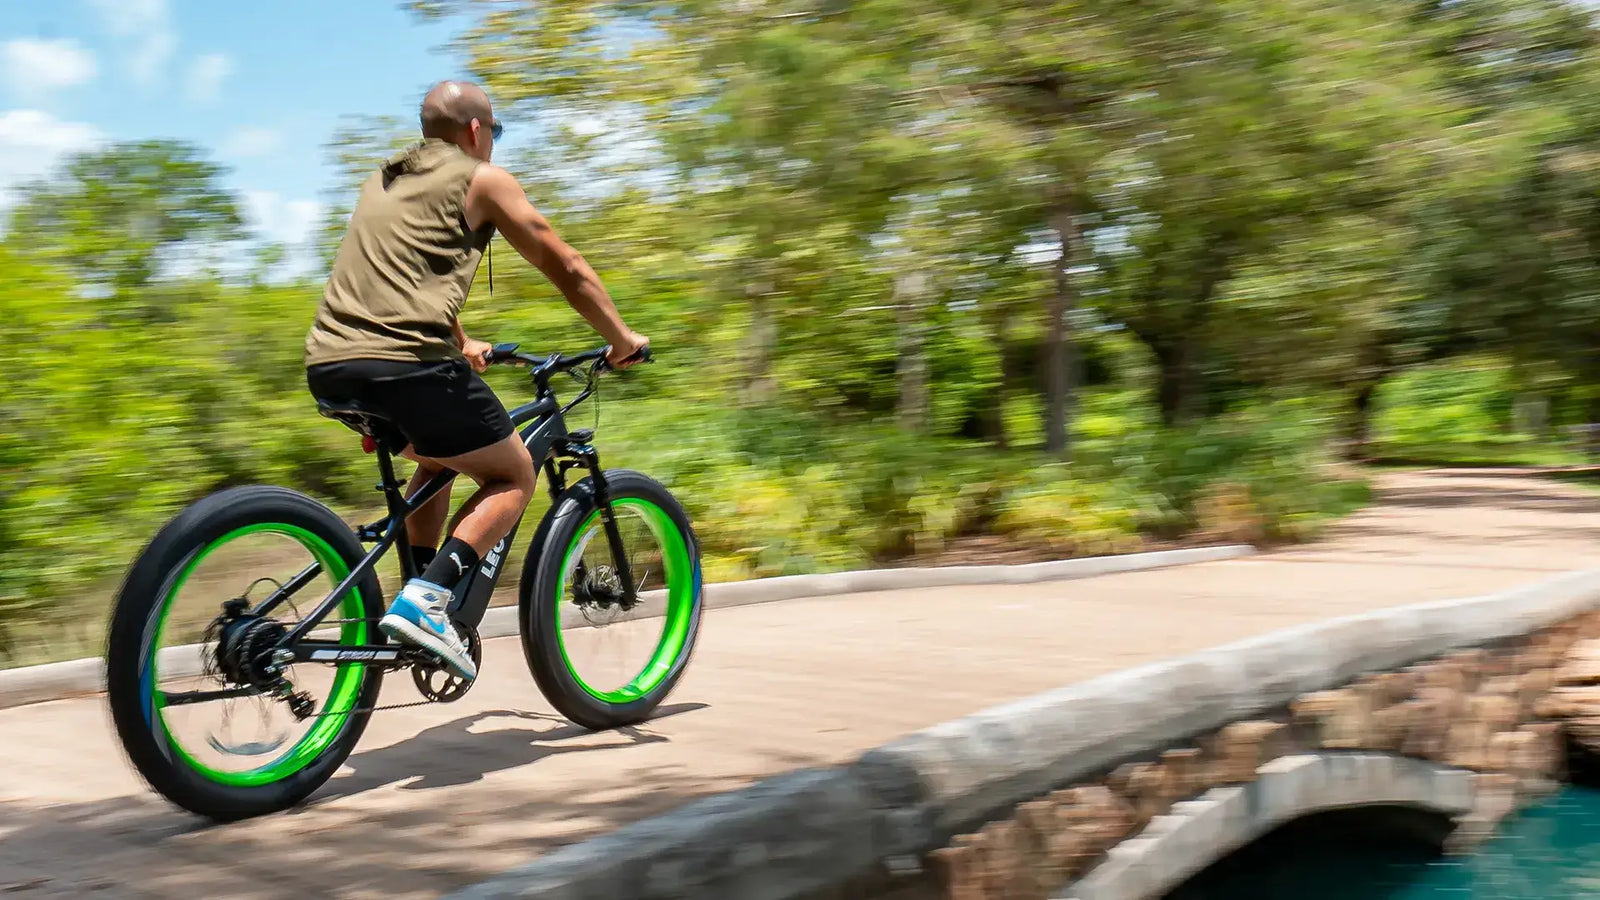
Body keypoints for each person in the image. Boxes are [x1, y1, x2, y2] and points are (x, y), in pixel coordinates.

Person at [303, 80, 648, 680]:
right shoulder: (481, 178)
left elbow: (401, 269)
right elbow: (561, 262)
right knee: (512, 471)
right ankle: (429, 603)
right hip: (405, 362)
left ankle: (418, 587)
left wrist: (460, 342)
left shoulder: (386, 179)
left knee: (439, 459)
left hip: (331, 364)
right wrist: (620, 338)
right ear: (476, 130)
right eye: (495, 133)